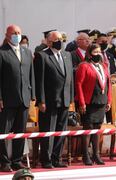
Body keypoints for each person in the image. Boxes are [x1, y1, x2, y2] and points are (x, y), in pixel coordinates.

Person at [34, 31, 74, 169]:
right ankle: (46, 159)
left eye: (61, 39)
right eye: (57, 39)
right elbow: (39, 81)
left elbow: (70, 78)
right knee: (49, 131)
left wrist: (70, 97)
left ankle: (57, 158)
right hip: (49, 101)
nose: (60, 41)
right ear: (49, 41)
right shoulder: (42, 56)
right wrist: (41, 101)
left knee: (61, 131)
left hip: (64, 99)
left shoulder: (67, 55)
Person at [0, 24, 35, 172]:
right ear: (7, 35)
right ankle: (4, 161)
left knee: (20, 132)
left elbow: (31, 74)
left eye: (19, 32)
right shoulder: (2, 52)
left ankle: (16, 160)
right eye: (14, 33)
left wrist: (32, 95)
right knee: (3, 132)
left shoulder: (27, 52)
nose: (17, 35)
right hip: (7, 99)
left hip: (24, 98)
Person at [76, 44, 111, 165]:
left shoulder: (103, 66)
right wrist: (81, 102)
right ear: (90, 53)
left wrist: (109, 100)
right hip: (89, 102)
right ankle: (86, 155)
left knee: (97, 129)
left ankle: (96, 154)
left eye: (99, 52)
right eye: (95, 52)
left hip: (101, 101)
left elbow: (108, 85)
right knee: (88, 129)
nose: (98, 54)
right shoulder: (84, 66)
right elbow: (79, 84)